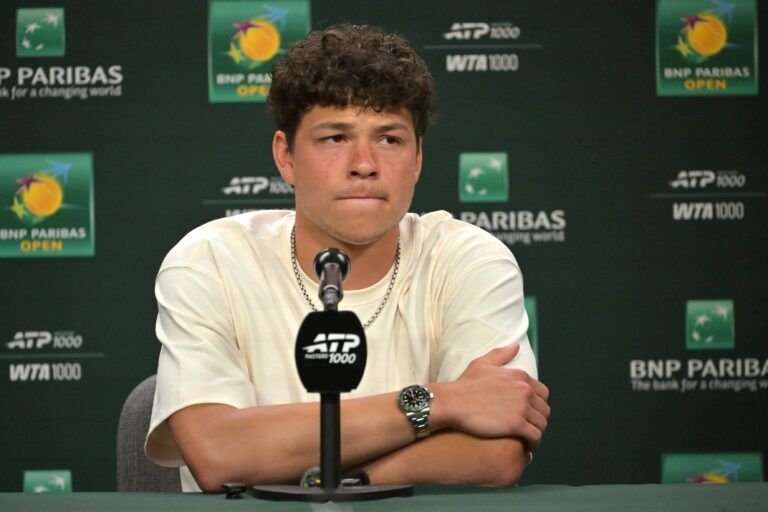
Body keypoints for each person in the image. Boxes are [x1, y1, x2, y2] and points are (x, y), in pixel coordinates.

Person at [145, 24, 550, 493]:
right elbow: (219, 455)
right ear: (286, 157)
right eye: (335, 138)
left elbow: (497, 451)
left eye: (389, 139)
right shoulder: (210, 260)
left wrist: (338, 479)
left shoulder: (469, 260)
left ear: (418, 158)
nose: (364, 163)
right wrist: (438, 403)